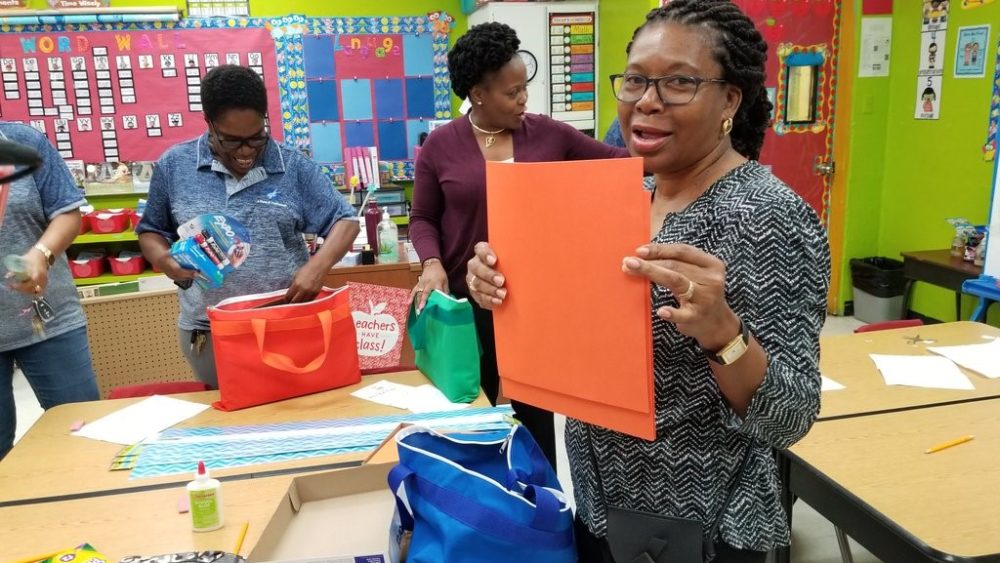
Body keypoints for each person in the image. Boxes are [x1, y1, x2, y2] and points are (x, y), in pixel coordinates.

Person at [465, 2, 830, 561]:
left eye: (679, 82)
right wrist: (502, 287)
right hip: (600, 504)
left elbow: (791, 417)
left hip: (703, 527)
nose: (647, 99)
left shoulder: (766, 215)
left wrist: (723, 333)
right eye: (635, 79)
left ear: (730, 99)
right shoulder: (624, 199)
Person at [409, 22, 629, 470]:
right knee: (475, 409)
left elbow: (619, 166)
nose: (524, 99)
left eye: (524, 88)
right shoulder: (439, 146)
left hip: (536, 306)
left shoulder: (549, 135)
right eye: (512, 93)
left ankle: (540, 508)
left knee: (535, 419)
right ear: (478, 94)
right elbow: (423, 217)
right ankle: (484, 504)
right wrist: (431, 263)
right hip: (468, 303)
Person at [137, 65, 358, 388]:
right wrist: (165, 262)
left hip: (286, 322)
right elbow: (151, 231)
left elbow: (345, 220)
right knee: (233, 422)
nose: (246, 152)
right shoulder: (175, 166)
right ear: (209, 124)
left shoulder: (291, 165)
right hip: (210, 329)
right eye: (231, 141)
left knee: (296, 417)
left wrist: (318, 266)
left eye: (256, 138)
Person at [0, 122, 99, 460]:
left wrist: (41, 254)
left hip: (48, 318)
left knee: (83, 434)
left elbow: (68, 212)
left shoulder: (24, 141)